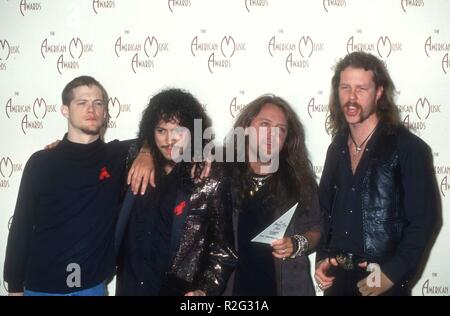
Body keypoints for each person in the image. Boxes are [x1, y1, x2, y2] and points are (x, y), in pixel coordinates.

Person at [3, 75, 150, 296]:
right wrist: (14, 287)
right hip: (41, 287)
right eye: (82, 103)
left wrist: (147, 152)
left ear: (105, 111)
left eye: (98, 103)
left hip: (91, 287)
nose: (91, 109)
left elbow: (169, 138)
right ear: (65, 110)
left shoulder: (117, 156)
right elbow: (21, 226)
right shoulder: (41, 162)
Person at [314, 51, 438, 296]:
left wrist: (392, 274)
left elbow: (424, 221)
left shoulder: (408, 148)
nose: (351, 97)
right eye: (345, 87)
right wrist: (322, 258)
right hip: (337, 279)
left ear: (379, 92)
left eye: (362, 89)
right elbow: (325, 212)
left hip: (382, 279)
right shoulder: (336, 147)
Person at [115, 88, 237, 296]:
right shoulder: (132, 158)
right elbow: (90, 149)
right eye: (161, 130)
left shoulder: (209, 174)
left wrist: (205, 290)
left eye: (179, 131)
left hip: (177, 290)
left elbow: (223, 249)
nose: (169, 139)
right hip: (130, 285)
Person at [224, 95, 323, 296]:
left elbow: (316, 229)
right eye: (264, 125)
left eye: (280, 129)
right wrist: (146, 150)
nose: (271, 135)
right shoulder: (222, 177)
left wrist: (297, 244)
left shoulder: (299, 182)